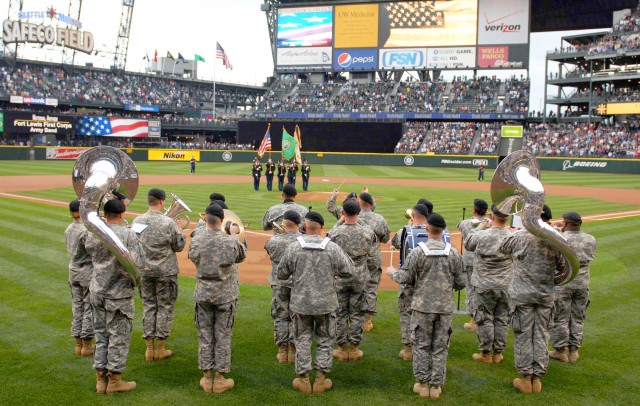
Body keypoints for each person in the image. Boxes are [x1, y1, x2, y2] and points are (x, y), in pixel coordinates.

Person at [386, 213, 465, 399]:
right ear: (444, 231)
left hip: (422, 306)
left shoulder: (418, 252)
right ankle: (435, 386)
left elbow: (404, 278)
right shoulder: (453, 252)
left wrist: (391, 273)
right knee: (440, 346)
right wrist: (447, 286)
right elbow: (462, 282)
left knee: (421, 346)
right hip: (444, 307)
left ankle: (422, 384)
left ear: (427, 229)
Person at [277, 212, 354, 394]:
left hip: (301, 303)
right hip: (326, 303)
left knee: (302, 340)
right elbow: (348, 271)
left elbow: (281, 274)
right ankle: (320, 380)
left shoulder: (294, 247)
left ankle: (303, 379)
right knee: (325, 341)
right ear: (321, 227)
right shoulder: (332, 248)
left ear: (305, 225)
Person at [499, 205, 568, 394]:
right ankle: (537, 379)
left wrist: (518, 231)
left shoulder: (521, 236)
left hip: (522, 295)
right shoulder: (556, 238)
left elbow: (502, 247)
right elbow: (563, 266)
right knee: (540, 335)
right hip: (545, 294)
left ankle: (526, 378)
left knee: (523, 335)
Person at [78, 199, 145, 394]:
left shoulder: (93, 234)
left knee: (101, 335)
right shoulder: (127, 234)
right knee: (118, 336)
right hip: (119, 294)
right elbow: (138, 263)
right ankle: (115, 381)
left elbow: (86, 251)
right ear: (122, 214)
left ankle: (100, 380)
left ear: (105, 214)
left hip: (97, 289)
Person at [188, 203, 246, 393]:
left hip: (203, 293)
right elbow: (240, 257)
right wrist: (234, 235)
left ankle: (206, 378)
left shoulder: (197, 239)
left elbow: (193, 257)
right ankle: (220, 378)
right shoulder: (230, 241)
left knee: (205, 336)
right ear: (222, 221)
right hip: (225, 294)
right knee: (222, 335)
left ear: (205, 219)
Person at [131, 188, 186, 362]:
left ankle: (149, 349)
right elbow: (179, 246)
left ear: (149, 201)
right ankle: (160, 348)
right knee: (164, 307)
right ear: (162, 201)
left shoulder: (137, 220)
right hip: (165, 271)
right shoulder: (168, 222)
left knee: (148, 306)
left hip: (144, 271)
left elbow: (133, 244)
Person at [462, 205, 513, 364]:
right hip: (505, 284)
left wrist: (481, 227)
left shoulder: (483, 235)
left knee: (484, 318)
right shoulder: (512, 236)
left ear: (492, 216)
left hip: (484, 283)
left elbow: (468, 243)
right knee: (501, 318)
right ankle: (497, 353)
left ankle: (486, 353)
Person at [327, 199, 377, 362]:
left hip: (340, 277)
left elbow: (327, 241)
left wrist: (339, 222)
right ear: (358, 213)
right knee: (357, 314)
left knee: (340, 313)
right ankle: (354, 348)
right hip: (359, 277)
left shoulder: (336, 232)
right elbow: (372, 252)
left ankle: (341, 348)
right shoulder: (367, 232)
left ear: (343, 213)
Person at [549, 211, 596, 363]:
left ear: (566, 223)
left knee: (561, 317)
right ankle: (574, 351)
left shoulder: (561, 239)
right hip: (582, 284)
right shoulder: (590, 239)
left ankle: (561, 351)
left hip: (564, 282)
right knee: (578, 317)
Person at [264, 210, 302, 364]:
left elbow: (268, 249)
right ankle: (293, 350)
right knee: (296, 316)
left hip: (279, 283)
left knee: (280, 315)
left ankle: (282, 351)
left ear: (284, 223)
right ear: (298, 224)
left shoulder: (274, 240)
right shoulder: (303, 241)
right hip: (298, 284)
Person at [65, 199, 94, 357]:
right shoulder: (86, 230)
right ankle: (88, 345)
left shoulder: (69, 228)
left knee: (77, 307)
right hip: (86, 271)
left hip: (73, 270)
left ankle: (78, 345)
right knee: (88, 307)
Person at [357, 192, 390, 332]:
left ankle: (354, 318)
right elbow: (385, 239)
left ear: (360, 203)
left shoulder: (353, 217)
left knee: (354, 287)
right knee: (371, 287)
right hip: (373, 258)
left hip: (356, 258)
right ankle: (366, 321)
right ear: (371, 204)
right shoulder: (379, 219)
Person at [457, 198, 489, 332]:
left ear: (474, 210)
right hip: (485, 261)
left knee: (471, 289)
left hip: (470, 260)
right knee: (483, 289)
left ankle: (474, 319)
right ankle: (484, 316)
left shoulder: (467, 223)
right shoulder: (489, 224)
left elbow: (460, 225)